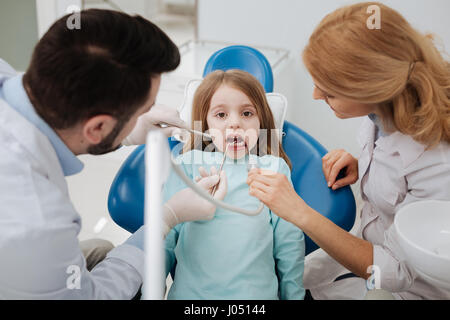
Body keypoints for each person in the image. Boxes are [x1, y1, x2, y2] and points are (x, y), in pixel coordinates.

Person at [0, 9, 225, 299]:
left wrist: (127, 131)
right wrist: (165, 219)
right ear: (97, 127)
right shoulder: (39, 222)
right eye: (143, 110)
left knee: (101, 251)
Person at [247, 2, 450, 299]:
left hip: (402, 287)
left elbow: (397, 271)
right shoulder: (382, 116)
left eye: (328, 90)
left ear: (370, 88)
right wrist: (364, 164)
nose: (316, 95)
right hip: (363, 250)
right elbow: (397, 170)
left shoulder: (437, 164)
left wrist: (299, 213)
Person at [162, 69, 305, 300]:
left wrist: (294, 296)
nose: (235, 124)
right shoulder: (186, 166)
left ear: (261, 121)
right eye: (220, 115)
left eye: (247, 113)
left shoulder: (273, 169)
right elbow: (164, 240)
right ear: (204, 124)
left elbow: (289, 244)